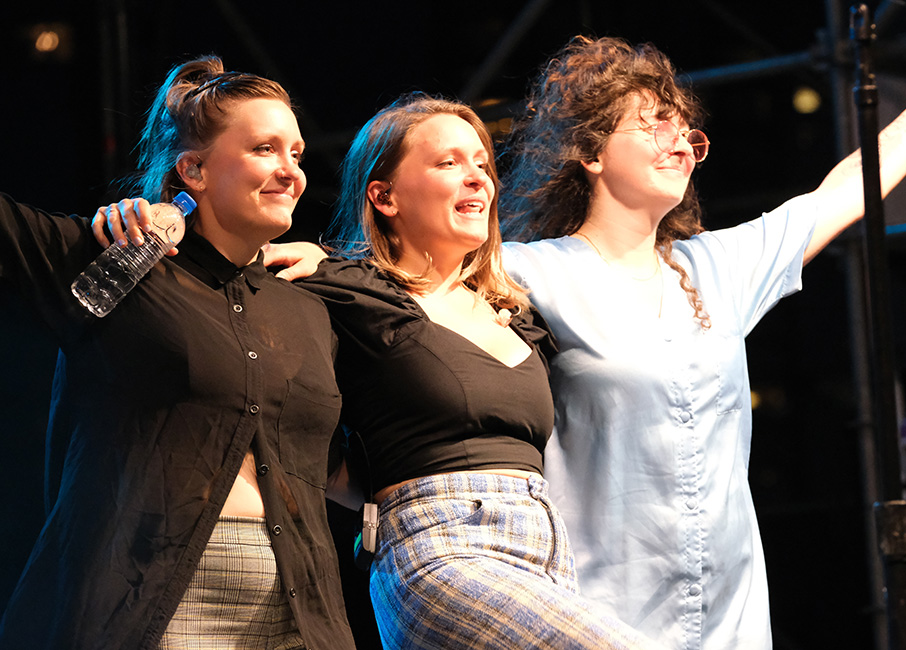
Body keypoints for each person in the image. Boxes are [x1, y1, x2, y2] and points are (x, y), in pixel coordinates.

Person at [495, 29, 906, 650]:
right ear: (591, 151)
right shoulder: (527, 271)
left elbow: (844, 191)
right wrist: (320, 260)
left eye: (687, 132)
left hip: (728, 625)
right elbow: (406, 283)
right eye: (655, 124)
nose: (681, 143)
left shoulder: (716, 268)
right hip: (603, 619)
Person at [0, 57, 355, 650]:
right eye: (266, 149)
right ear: (193, 168)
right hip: (156, 597)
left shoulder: (309, 310)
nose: (291, 172)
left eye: (296, 154)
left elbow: (327, 467)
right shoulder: (120, 260)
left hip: (301, 607)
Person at [248, 93, 667, 649]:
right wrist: (154, 217)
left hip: (545, 557)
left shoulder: (519, 318)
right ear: (384, 195)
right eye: (448, 163)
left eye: (481, 164)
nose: (476, 179)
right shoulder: (347, 291)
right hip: (439, 550)